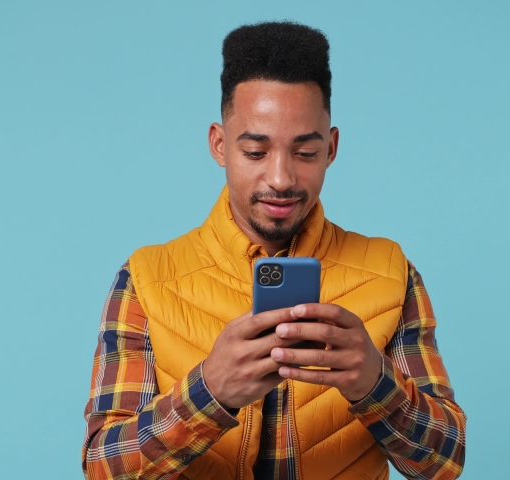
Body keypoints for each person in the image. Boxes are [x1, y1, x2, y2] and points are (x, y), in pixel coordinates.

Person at [82, 21, 466, 480]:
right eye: (256, 152)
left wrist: (375, 384)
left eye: (304, 152)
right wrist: (209, 393)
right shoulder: (146, 279)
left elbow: (444, 463)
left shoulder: (391, 273)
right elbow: (103, 468)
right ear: (220, 145)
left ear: (332, 148)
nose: (281, 179)